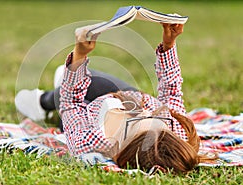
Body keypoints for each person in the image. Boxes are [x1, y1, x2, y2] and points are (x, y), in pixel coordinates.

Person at [15, 23, 207, 173]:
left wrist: (78, 57)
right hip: (117, 95)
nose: (145, 111)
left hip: (86, 112)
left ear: (123, 148)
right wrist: (169, 44)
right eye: (156, 116)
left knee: (67, 94)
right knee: (95, 82)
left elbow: (70, 103)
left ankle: (42, 102)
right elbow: (171, 89)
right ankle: (68, 80)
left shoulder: (89, 141)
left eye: (135, 121)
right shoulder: (176, 130)